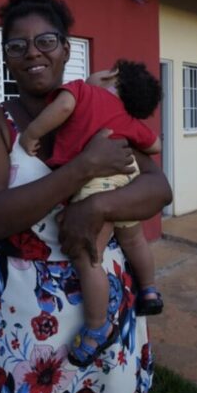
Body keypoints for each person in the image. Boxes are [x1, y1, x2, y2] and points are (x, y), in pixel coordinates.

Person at [0, 0, 172, 393]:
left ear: (66, 49)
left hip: (99, 310)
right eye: (17, 45)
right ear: (6, 57)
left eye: (45, 41)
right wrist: (81, 171)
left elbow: (158, 187)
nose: (32, 52)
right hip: (24, 315)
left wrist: (94, 207)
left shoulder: (100, 108)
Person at [17, 60, 164, 368]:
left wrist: (31, 134)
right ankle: (150, 289)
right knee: (135, 239)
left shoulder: (82, 91)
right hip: (126, 177)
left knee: (89, 258)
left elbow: (62, 108)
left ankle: (98, 326)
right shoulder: (128, 118)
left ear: (111, 76)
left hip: (95, 183)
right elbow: (155, 145)